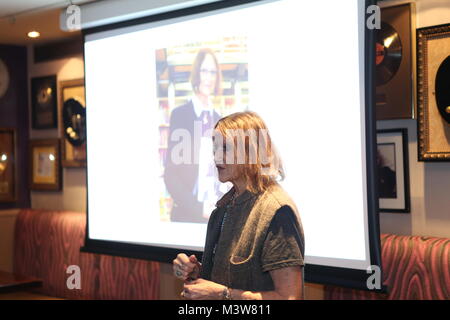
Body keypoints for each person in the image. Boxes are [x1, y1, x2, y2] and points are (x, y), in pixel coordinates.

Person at [173, 111, 305, 300]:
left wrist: (223, 295)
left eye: (225, 148)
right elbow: (229, 279)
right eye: (215, 147)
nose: (216, 156)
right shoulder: (223, 209)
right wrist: (195, 273)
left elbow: (290, 298)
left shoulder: (277, 210)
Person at [164, 48, 223, 223]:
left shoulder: (220, 120)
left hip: (215, 217)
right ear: (197, 73)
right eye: (204, 70)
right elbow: (171, 176)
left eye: (213, 72)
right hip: (186, 215)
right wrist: (198, 208)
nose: (209, 77)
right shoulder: (180, 115)